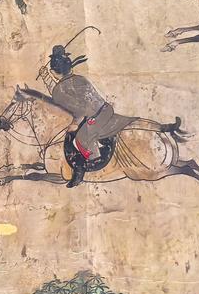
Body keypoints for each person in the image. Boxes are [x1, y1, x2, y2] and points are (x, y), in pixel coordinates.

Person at [31, 40, 136, 188]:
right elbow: (63, 91)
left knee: (78, 138)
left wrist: (75, 123)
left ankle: (81, 170)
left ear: (54, 72)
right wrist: (46, 77)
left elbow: (76, 107)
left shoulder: (59, 90)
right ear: (71, 68)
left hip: (94, 117)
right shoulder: (79, 79)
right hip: (105, 110)